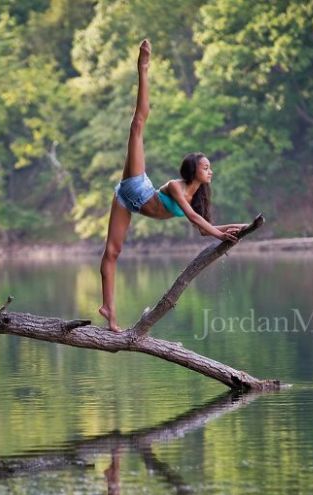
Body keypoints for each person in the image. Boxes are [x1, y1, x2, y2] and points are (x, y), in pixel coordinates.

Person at [99, 39, 247, 332]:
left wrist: (231, 229)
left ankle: (110, 313)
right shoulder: (177, 187)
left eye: (210, 167)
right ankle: (142, 67)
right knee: (138, 125)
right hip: (136, 186)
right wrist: (219, 233)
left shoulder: (198, 196)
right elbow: (194, 219)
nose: (210, 171)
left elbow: (202, 226)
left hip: (127, 202)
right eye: (206, 167)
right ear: (193, 169)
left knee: (114, 253)